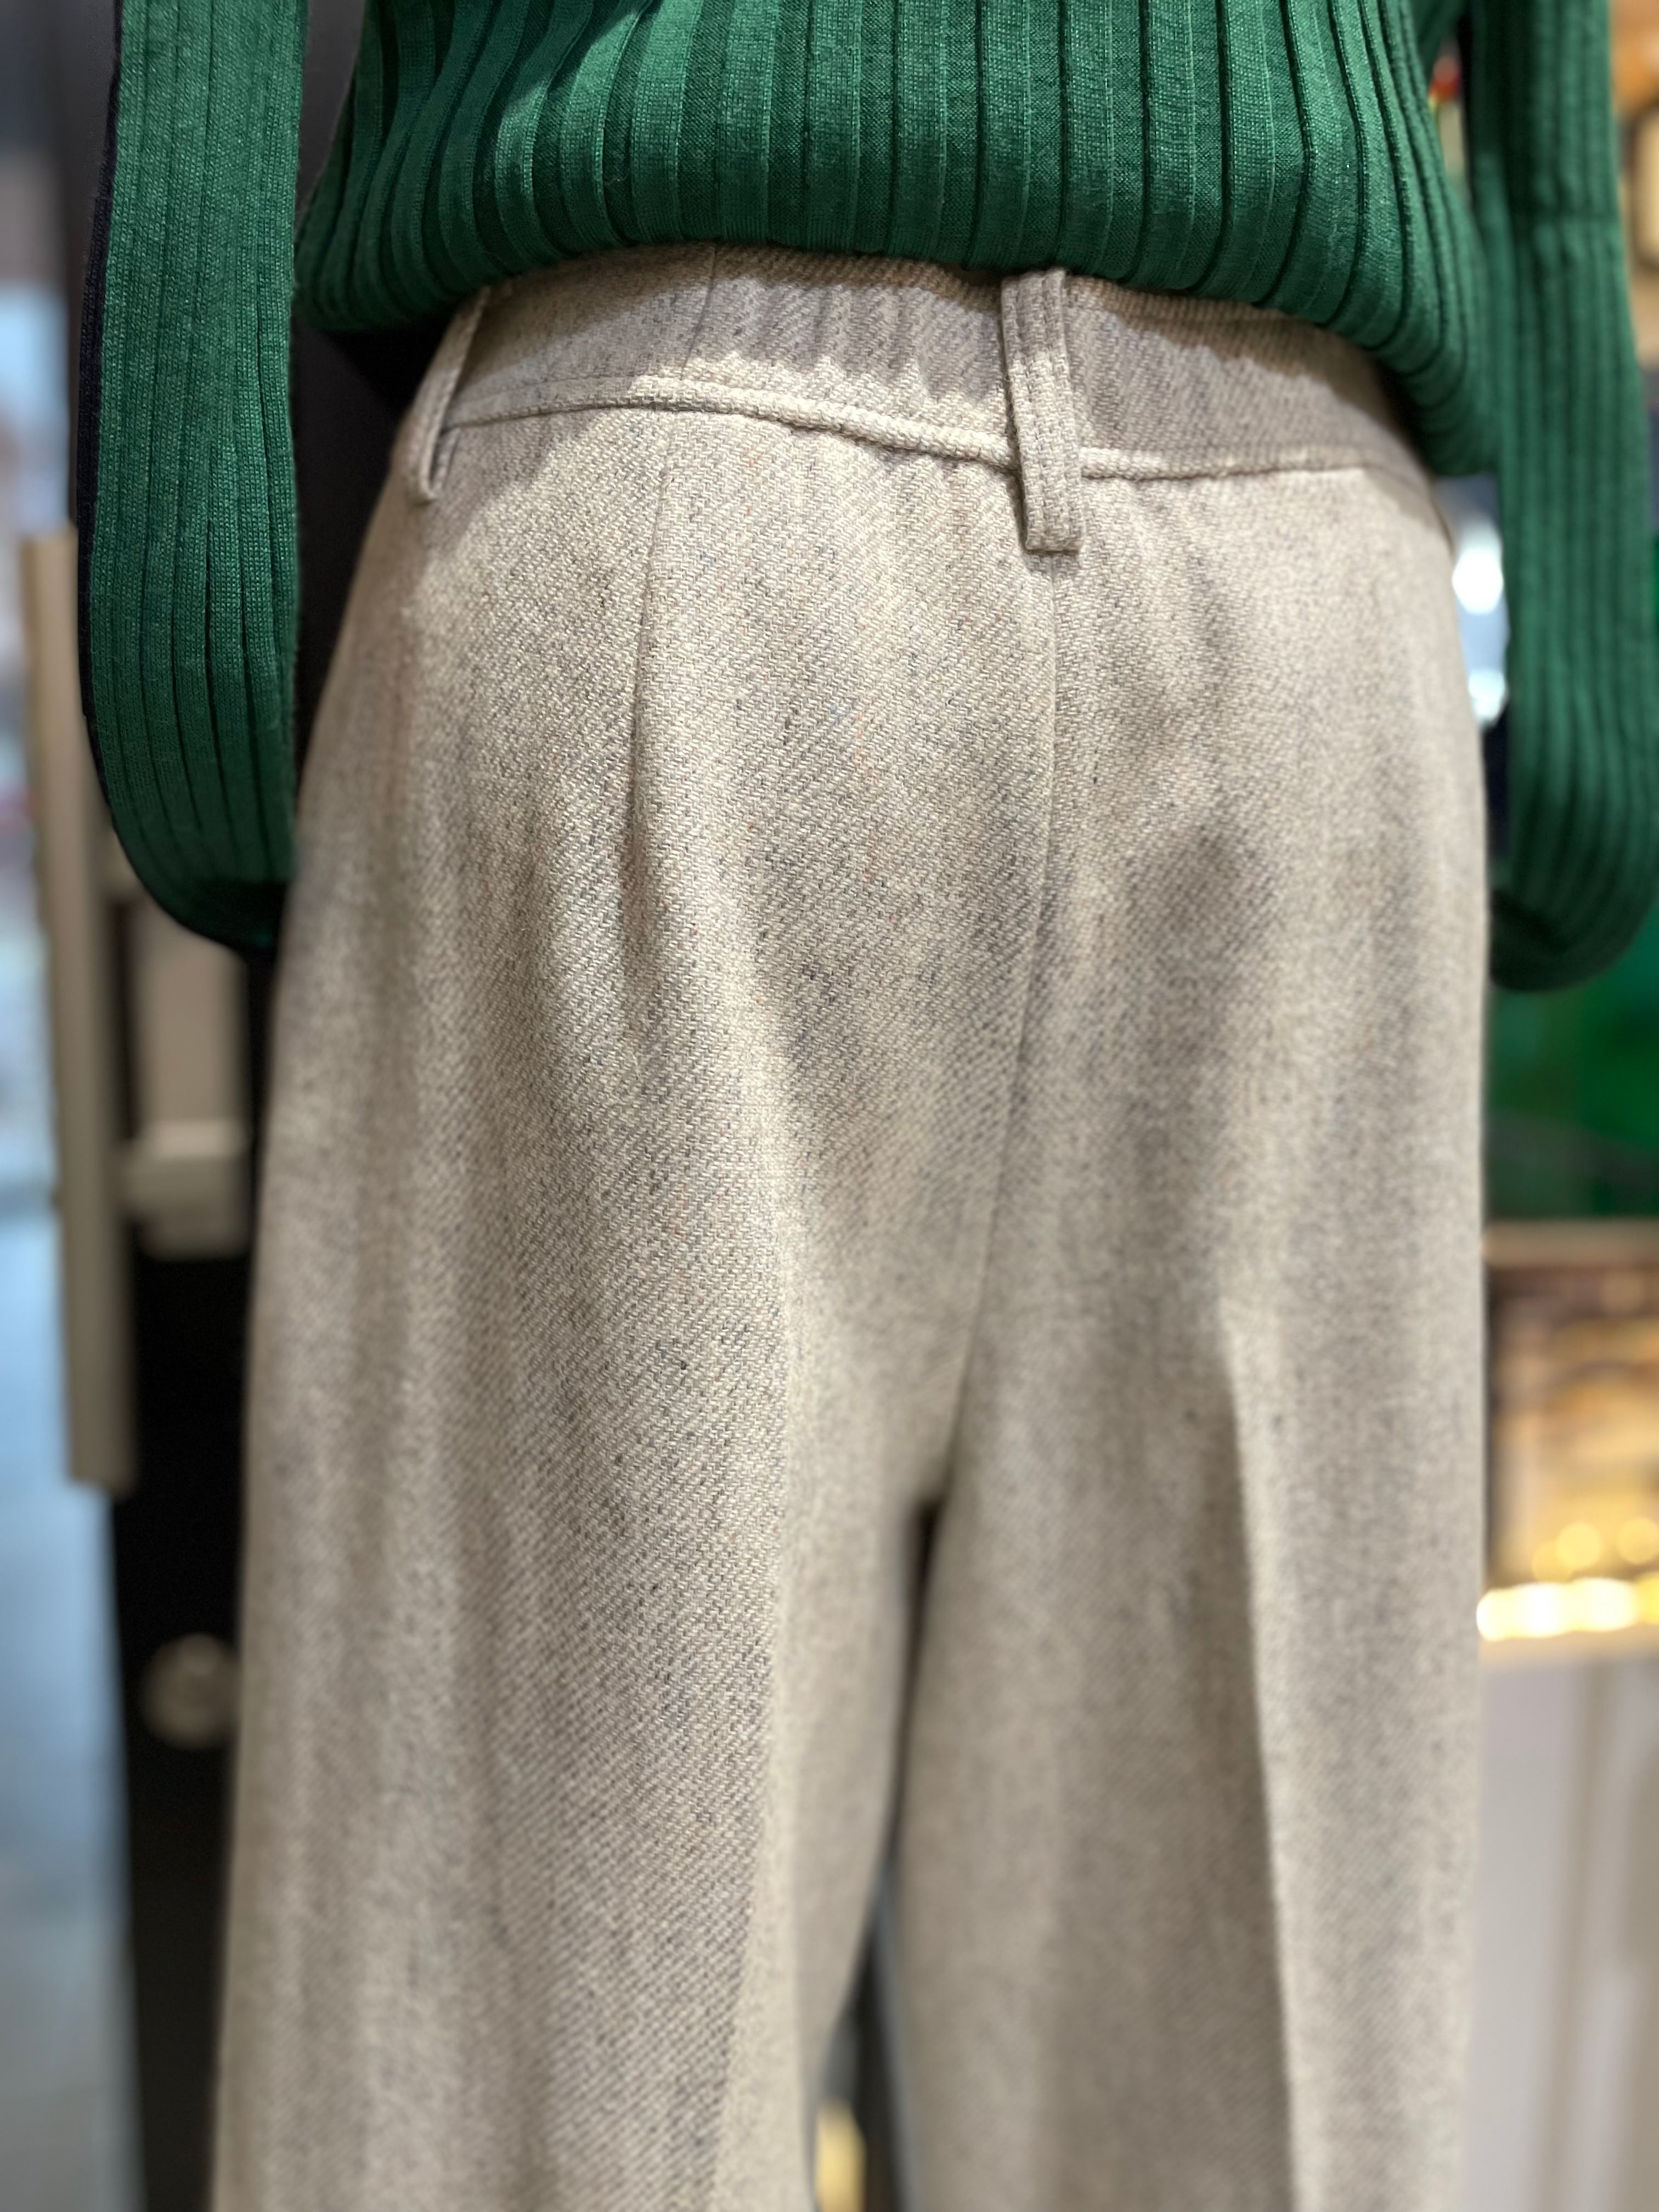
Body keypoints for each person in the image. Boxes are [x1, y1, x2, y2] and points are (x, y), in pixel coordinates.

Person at [77, 2, 1656, 2208]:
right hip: (1185, 533)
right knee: (1231, 2049)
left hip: (690, 503)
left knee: (532, 2065)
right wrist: (1585, 574)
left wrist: (184, 522)